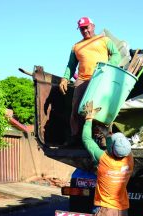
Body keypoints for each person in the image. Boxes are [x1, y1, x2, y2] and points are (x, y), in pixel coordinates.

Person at [59, 17, 121, 145]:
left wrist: (108, 66)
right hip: (82, 80)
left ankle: (102, 137)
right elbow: (71, 65)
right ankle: (75, 137)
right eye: (82, 29)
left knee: (101, 108)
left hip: (100, 78)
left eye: (86, 27)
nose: (85, 31)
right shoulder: (76, 46)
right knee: (76, 109)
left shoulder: (104, 40)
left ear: (93, 26)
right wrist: (65, 78)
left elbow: (116, 54)